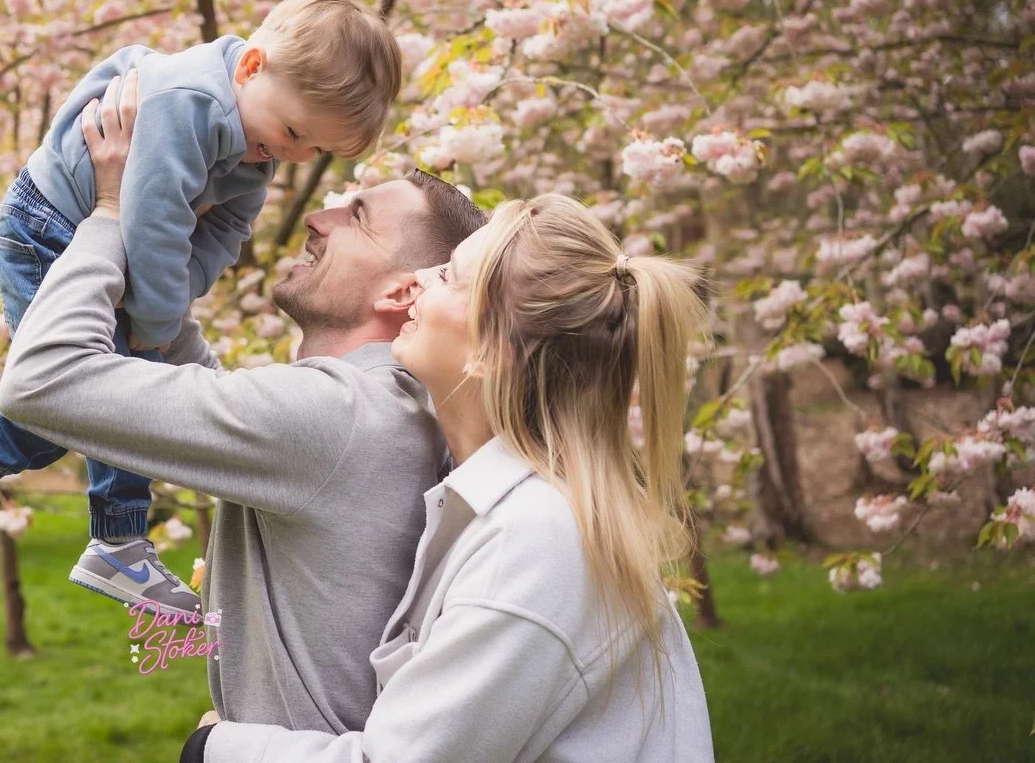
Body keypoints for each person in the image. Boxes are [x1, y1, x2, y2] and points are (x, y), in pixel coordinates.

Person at [0, 0, 404, 617]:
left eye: (316, 151)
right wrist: (156, 321)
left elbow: (224, 232)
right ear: (250, 68)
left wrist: (165, 306)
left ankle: (86, 521)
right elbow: (155, 224)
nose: (292, 157)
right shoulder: (188, 104)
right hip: (50, 227)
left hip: (105, 241)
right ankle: (69, 512)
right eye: (294, 133)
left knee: (107, 397)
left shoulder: (257, 140)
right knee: (88, 396)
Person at [182, 193, 717, 762]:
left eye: (449, 276)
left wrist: (216, 748)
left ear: (490, 351)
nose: (419, 282)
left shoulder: (536, 541)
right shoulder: (495, 510)